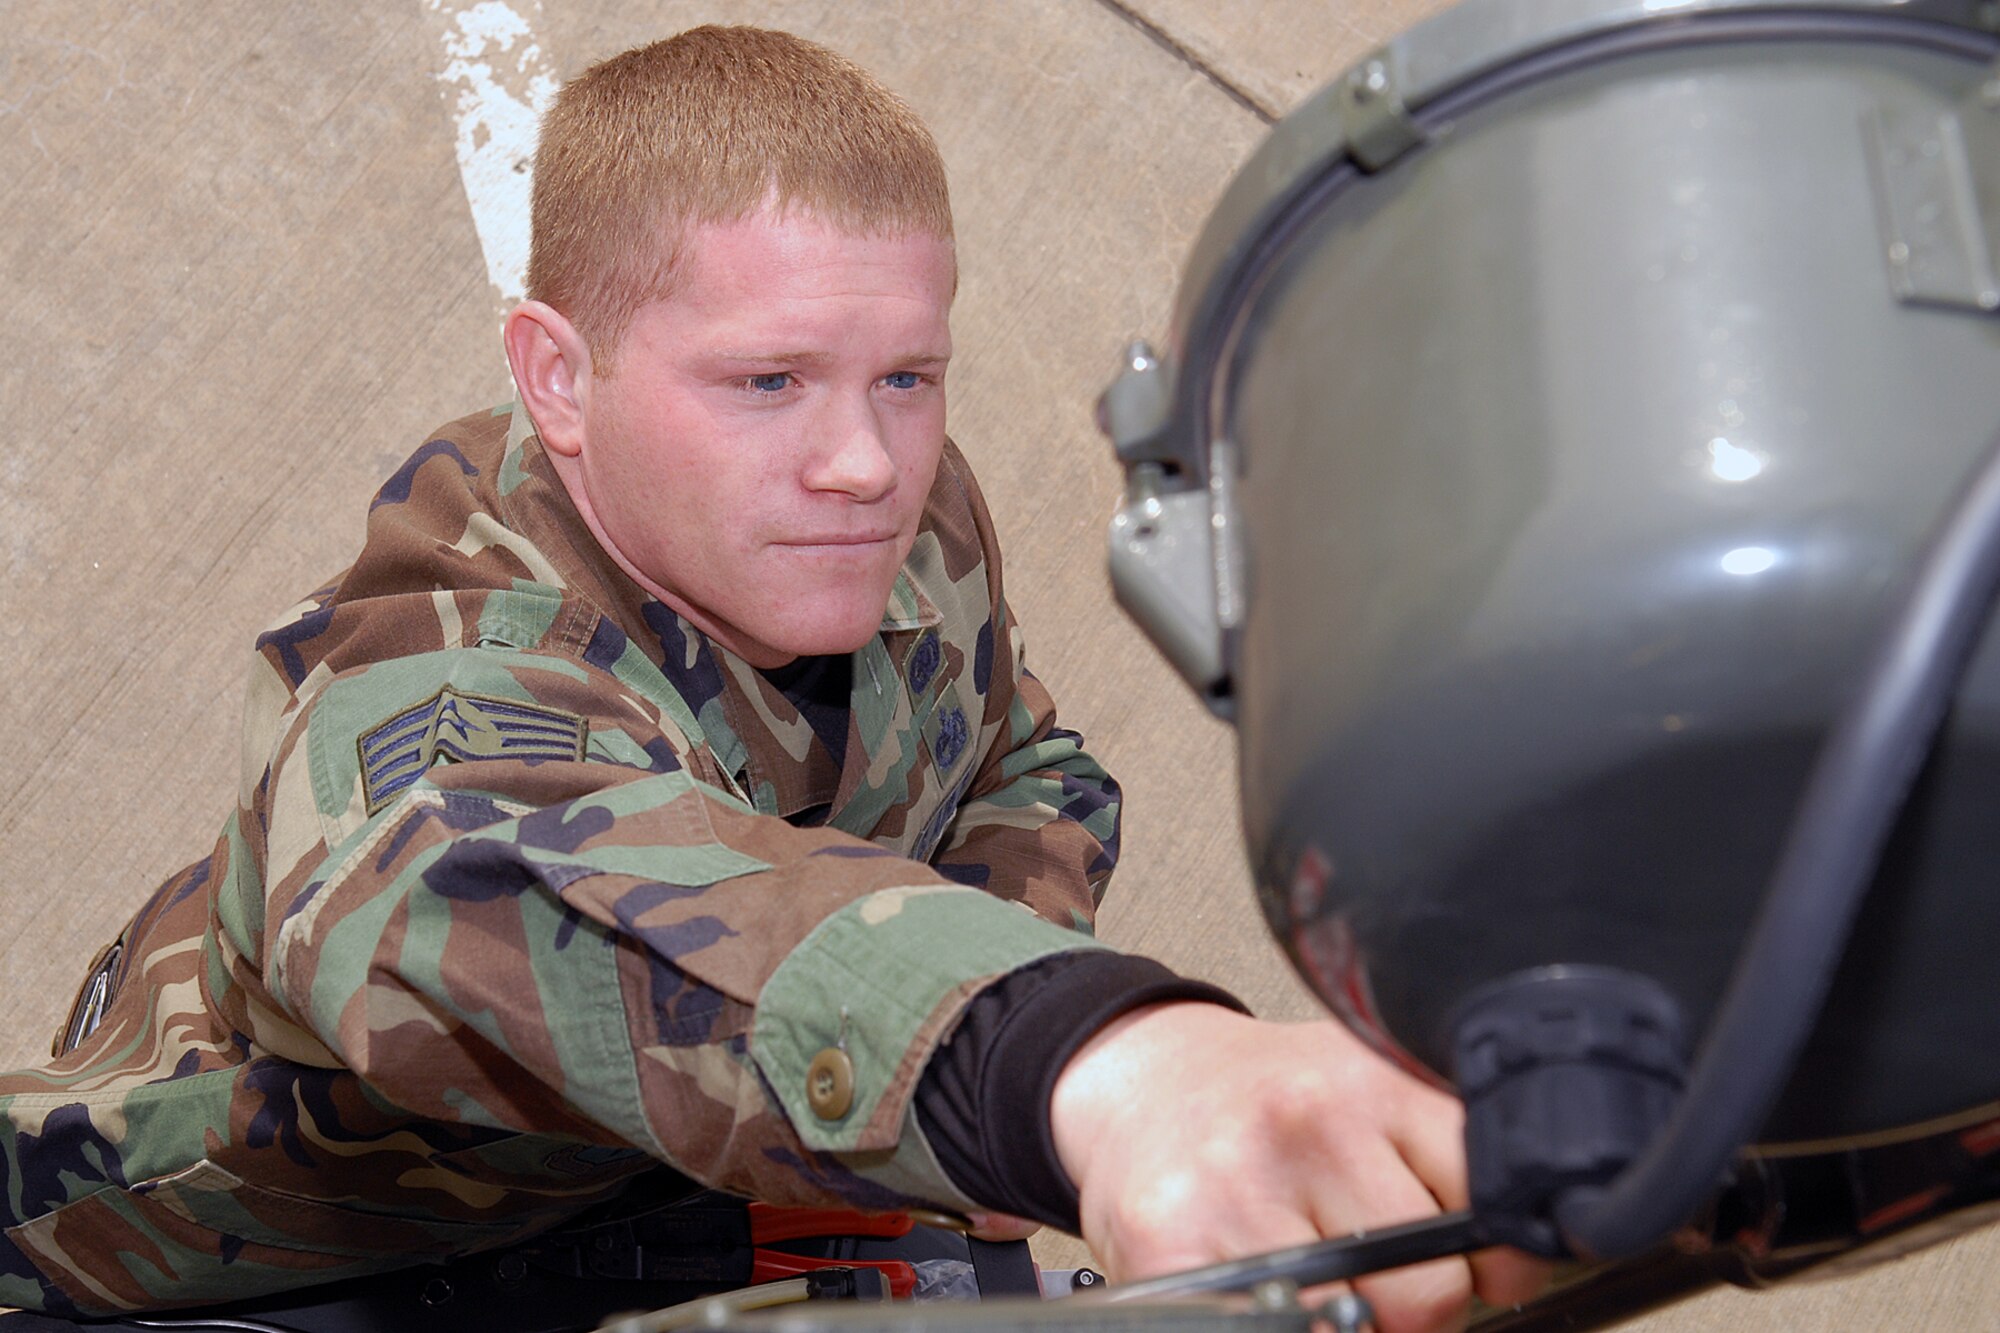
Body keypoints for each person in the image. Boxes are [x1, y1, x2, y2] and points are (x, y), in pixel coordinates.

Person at [0, 26, 1541, 1333]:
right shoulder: (439, 649)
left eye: (907, 375)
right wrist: (1069, 1061)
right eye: (767, 379)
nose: (864, 458)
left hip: (669, 1201)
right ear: (559, 379)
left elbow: (1025, 761)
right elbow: (477, 864)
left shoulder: (902, 522)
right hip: (257, 1248)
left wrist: (908, 997)